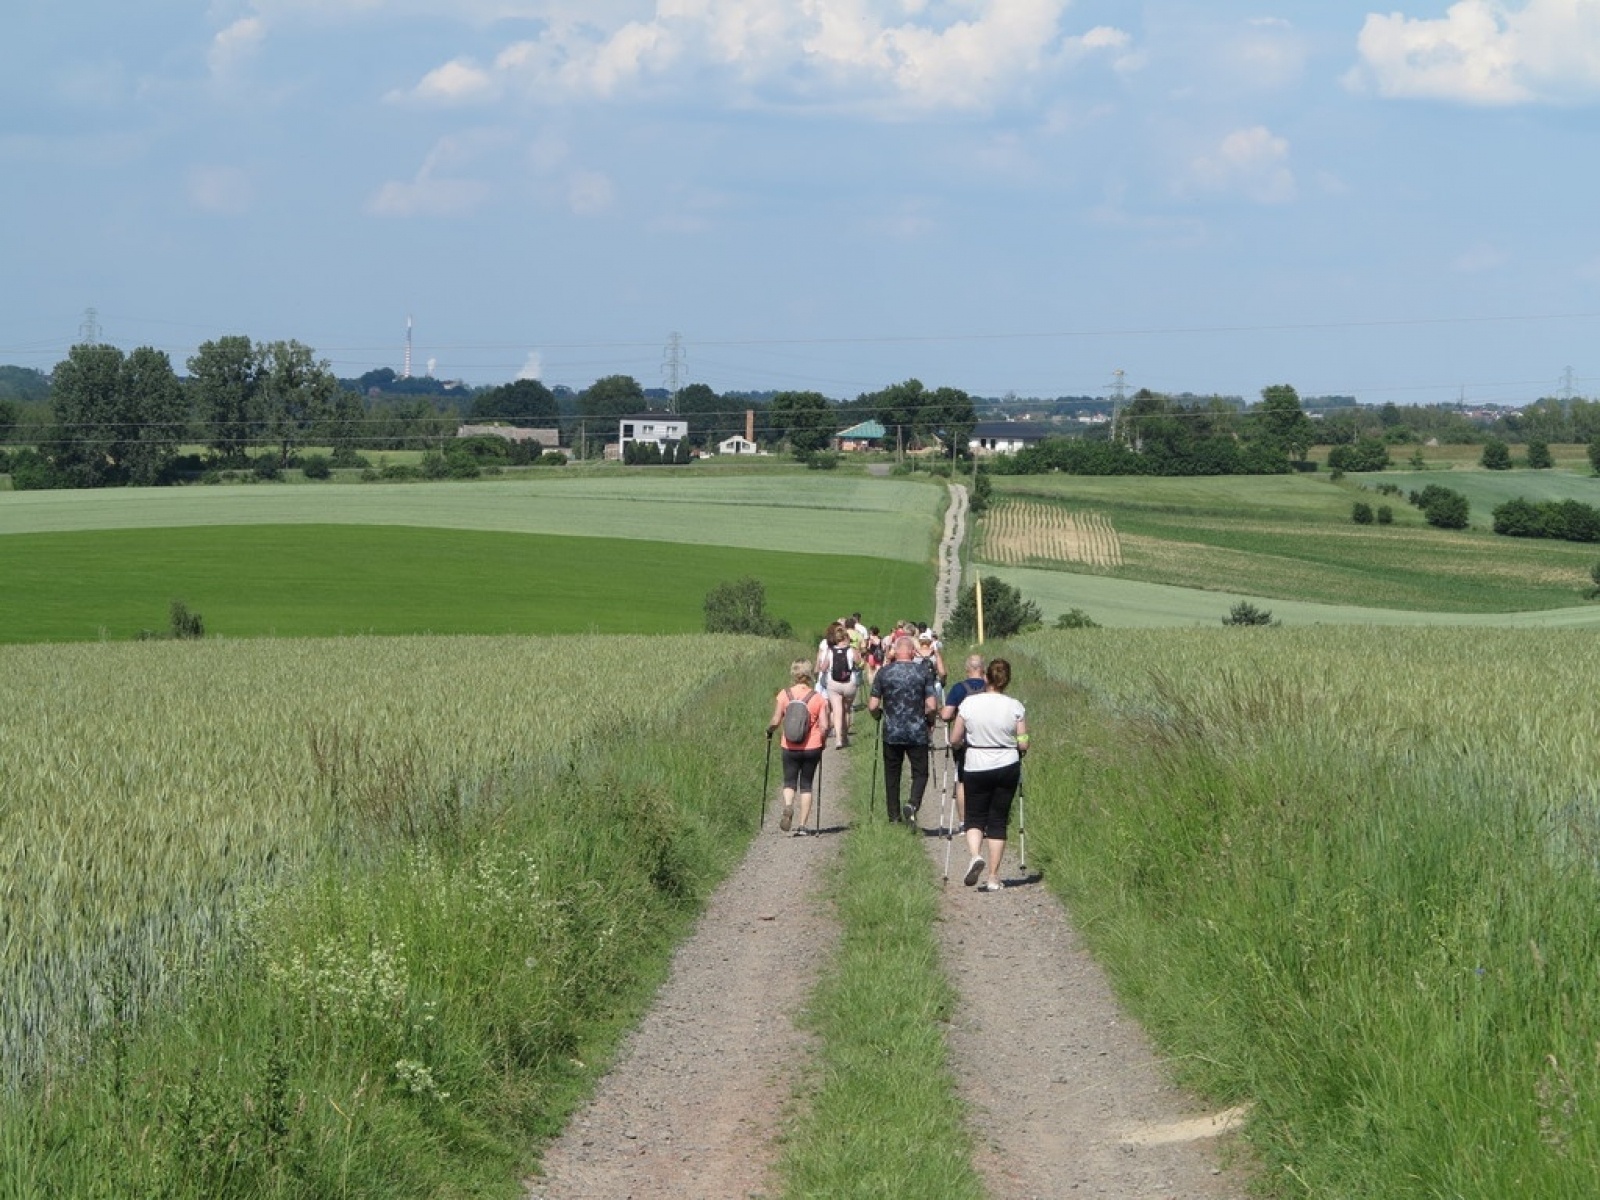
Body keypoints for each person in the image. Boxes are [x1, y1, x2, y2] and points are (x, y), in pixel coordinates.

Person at [950, 658, 1028, 891]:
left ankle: (975, 855)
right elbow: (1023, 743)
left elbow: (955, 738)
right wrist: (1019, 744)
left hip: (976, 763)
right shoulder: (1015, 706)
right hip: (1007, 764)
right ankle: (993, 877)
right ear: (1006, 680)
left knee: (975, 816)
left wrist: (959, 745)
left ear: (986, 678)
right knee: (998, 820)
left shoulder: (969, 705)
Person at [867, 635, 937, 824]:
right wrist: (930, 721)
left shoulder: (884, 673)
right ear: (913, 652)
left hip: (892, 732)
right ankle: (913, 804)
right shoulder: (923, 672)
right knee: (920, 773)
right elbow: (931, 705)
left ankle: (894, 817)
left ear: (896, 652)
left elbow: (873, 706)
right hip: (917, 731)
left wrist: (878, 715)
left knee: (892, 774)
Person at [767, 660, 831, 835]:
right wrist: (823, 741)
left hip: (789, 745)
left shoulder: (784, 695)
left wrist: (769, 731)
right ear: (809, 674)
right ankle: (802, 826)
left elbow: (775, 720)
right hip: (812, 747)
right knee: (806, 785)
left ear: (793, 674)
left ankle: (788, 806)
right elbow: (825, 726)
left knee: (789, 781)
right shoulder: (817, 698)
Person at [938, 654, 988, 835]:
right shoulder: (990, 688)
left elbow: (945, 715)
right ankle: (984, 821)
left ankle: (964, 822)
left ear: (967, 669)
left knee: (963, 781)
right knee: (985, 781)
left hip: (965, 742)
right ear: (983, 669)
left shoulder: (959, 688)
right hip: (988, 742)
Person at [820, 624, 859, 749]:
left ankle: (838, 739)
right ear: (845, 637)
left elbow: (823, 667)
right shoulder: (851, 650)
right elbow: (860, 662)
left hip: (834, 683)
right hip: (849, 683)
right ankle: (845, 736)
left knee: (837, 711)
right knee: (846, 710)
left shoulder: (830, 651)